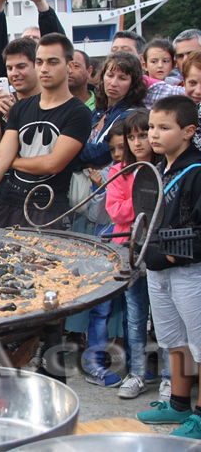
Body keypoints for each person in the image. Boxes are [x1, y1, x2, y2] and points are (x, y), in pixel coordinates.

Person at [0, 33, 93, 229]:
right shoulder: (21, 107)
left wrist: (10, 162)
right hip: (5, 204)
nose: (44, 69)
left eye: (53, 62)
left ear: (69, 66)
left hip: (47, 208)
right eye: (39, 62)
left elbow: (52, 163)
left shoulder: (79, 113)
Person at [136, 96, 201, 441]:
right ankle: (178, 403)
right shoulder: (161, 169)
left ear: (189, 131)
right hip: (159, 271)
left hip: (190, 273)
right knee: (175, 340)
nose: (154, 135)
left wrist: (170, 255)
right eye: (151, 127)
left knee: (200, 342)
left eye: (164, 128)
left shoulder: (197, 171)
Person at [106, 109, 165, 399]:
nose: (138, 142)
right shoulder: (120, 171)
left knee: (166, 315)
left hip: (159, 249)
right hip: (127, 248)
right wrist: (143, 201)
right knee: (136, 312)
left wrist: (137, 207)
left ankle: (169, 377)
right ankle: (137, 373)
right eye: (131, 137)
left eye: (143, 135)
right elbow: (115, 210)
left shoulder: (165, 169)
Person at [80, 121, 127, 388]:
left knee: (134, 309)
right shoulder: (107, 172)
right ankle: (93, 364)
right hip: (106, 247)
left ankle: (136, 365)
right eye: (113, 148)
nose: (119, 153)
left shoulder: (148, 172)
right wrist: (99, 189)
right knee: (101, 308)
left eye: (123, 147)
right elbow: (97, 215)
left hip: (134, 248)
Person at [0, 0, 65, 81]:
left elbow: (57, 43)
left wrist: (39, 1)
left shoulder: (50, 79)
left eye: (35, 38)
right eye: (26, 37)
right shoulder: (9, 79)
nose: (15, 73)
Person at [79, 51, 147, 168]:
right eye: (110, 75)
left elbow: (101, 154)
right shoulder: (98, 111)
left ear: (133, 84)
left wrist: (68, 149)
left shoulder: (131, 115)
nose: (113, 83)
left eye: (122, 78)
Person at [0, 38, 41, 160]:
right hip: (6, 177)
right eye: (9, 68)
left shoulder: (50, 103)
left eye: (21, 66)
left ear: (38, 65)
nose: (14, 73)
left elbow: (38, 153)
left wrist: (13, 117)